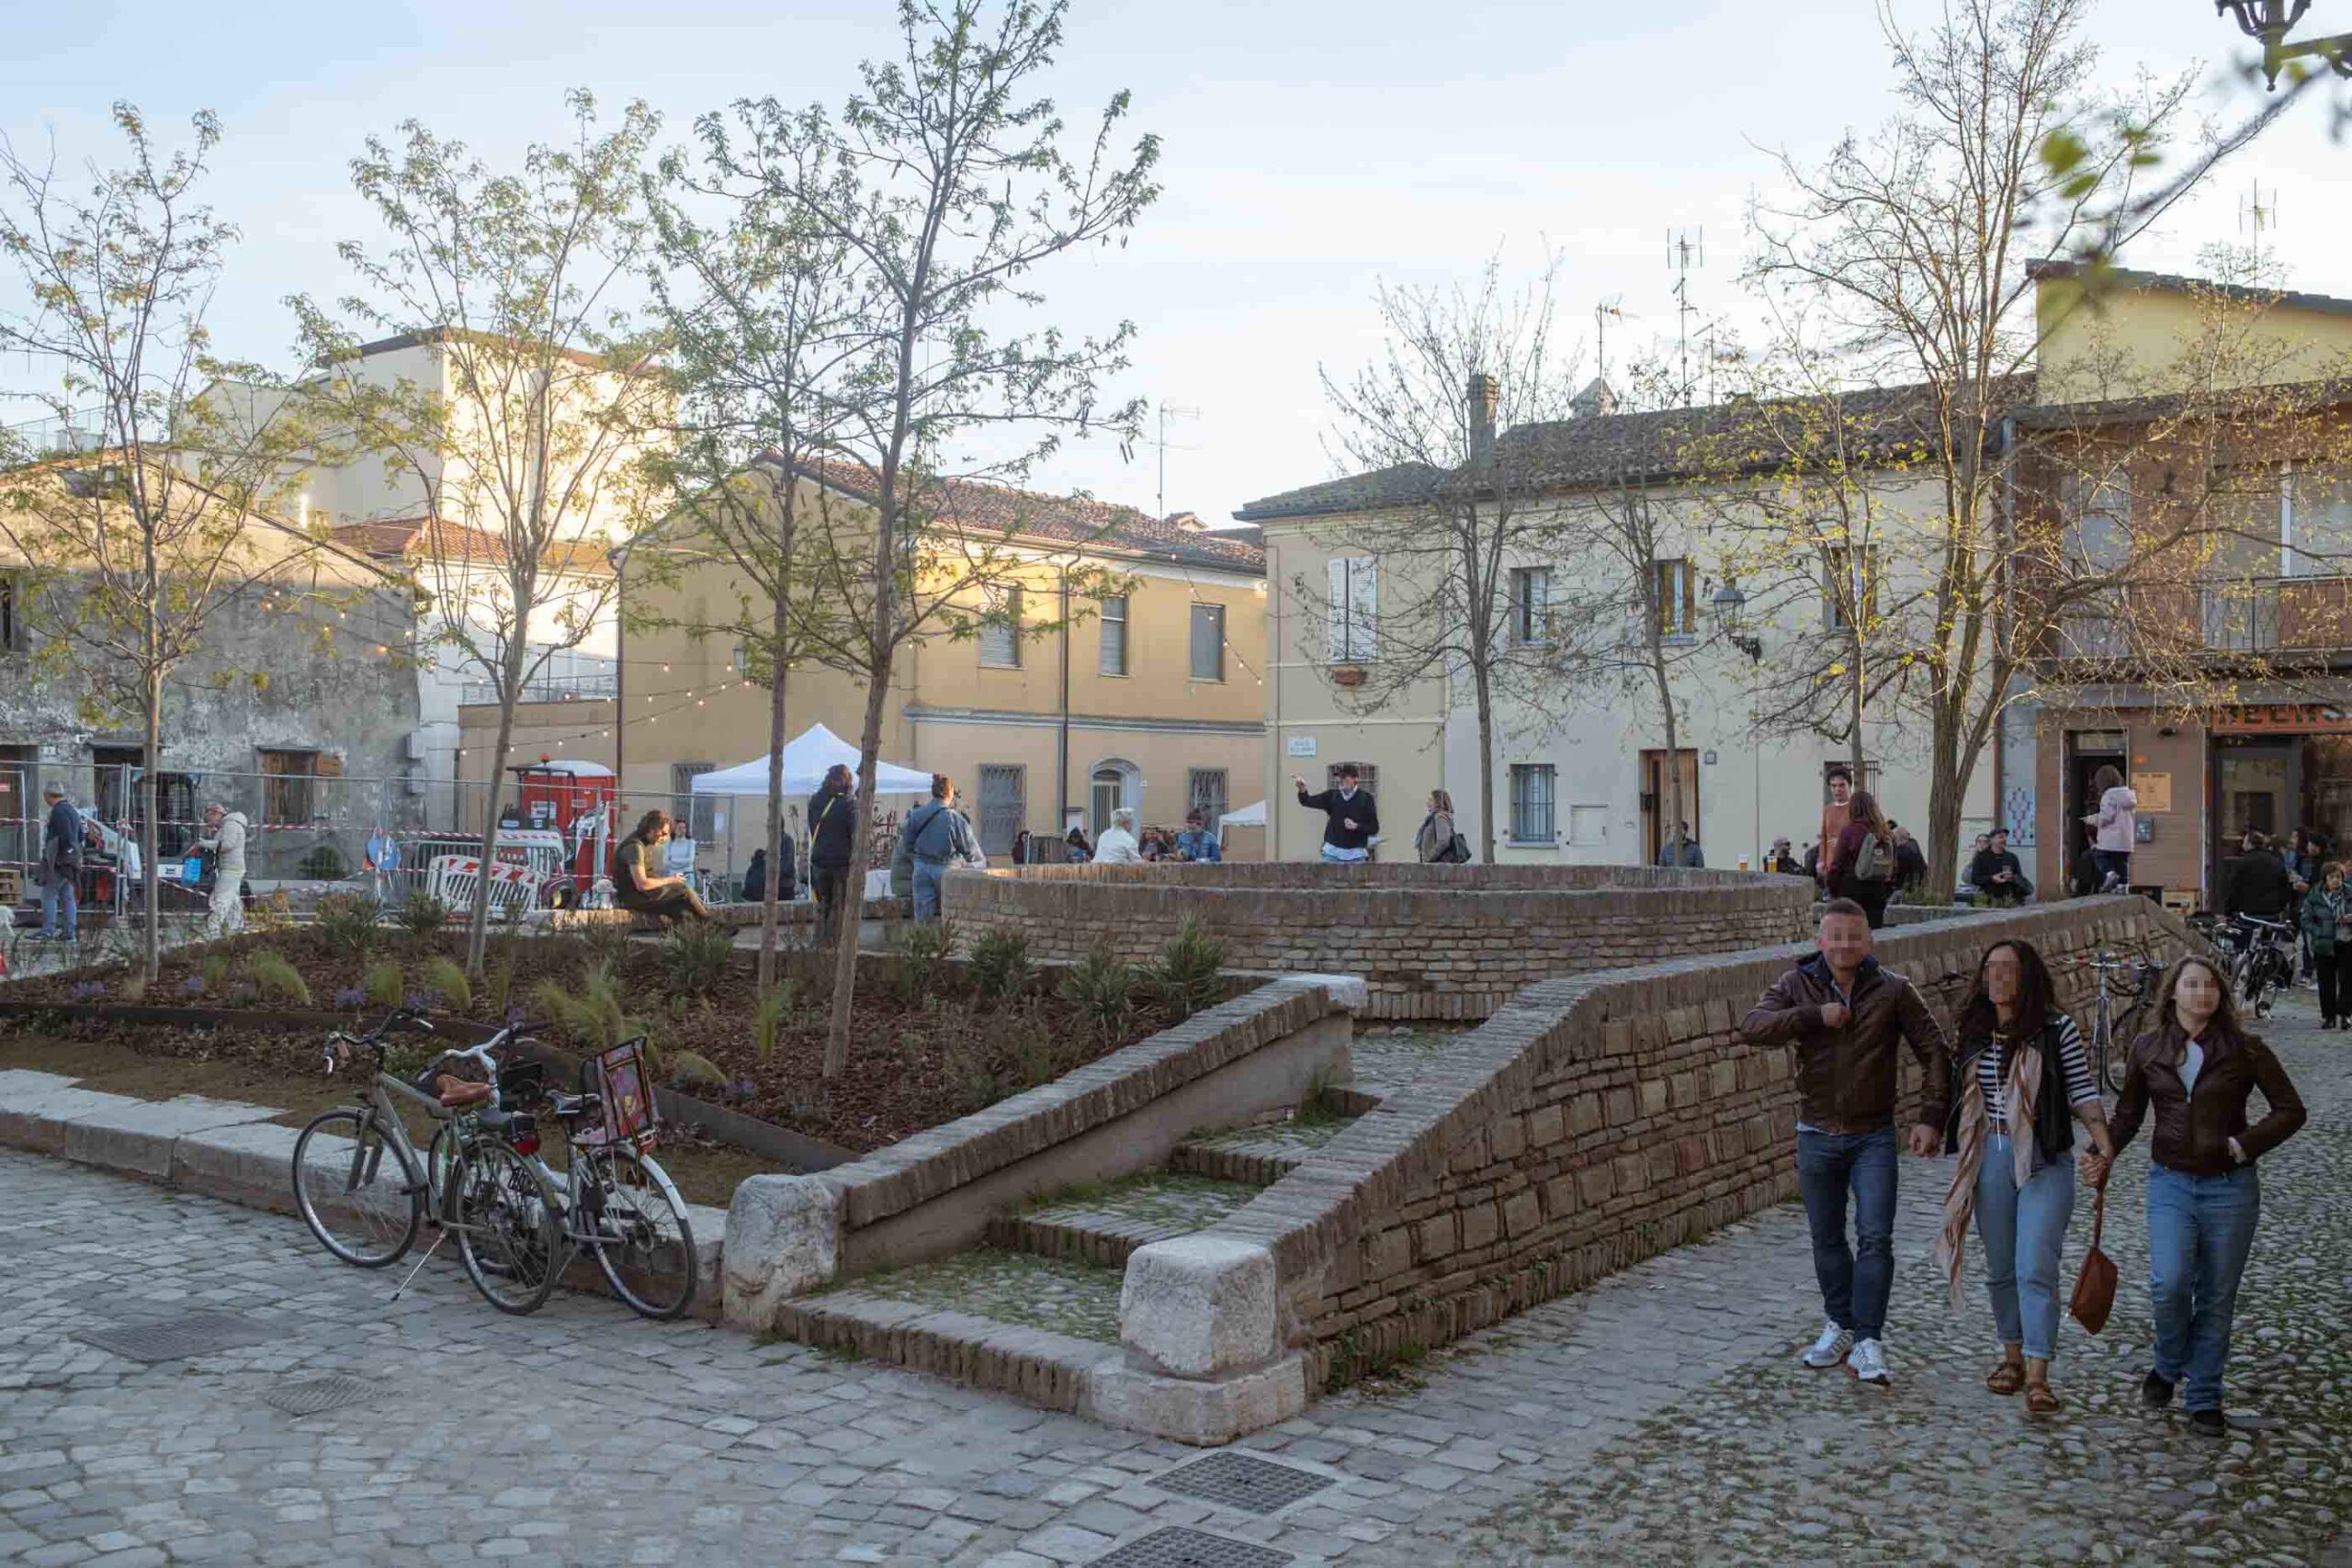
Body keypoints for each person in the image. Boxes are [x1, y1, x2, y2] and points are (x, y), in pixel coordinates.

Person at [1740, 898, 1951, 1387]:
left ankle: (1868, 1340)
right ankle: (1840, 1324)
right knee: (1827, 1237)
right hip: (1815, 1132)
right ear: (1820, 941)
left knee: (1876, 1237)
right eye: (1835, 936)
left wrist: (1930, 1117)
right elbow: (1752, 1026)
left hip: (1872, 1136)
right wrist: (1814, 1016)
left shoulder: (1894, 990)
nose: (1845, 945)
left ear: (1869, 940)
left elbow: (1935, 1050)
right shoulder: (1797, 984)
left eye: (1854, 936)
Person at [2109, 953, 2306, 1435]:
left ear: (2220, 996)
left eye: (2210, 986)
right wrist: (2105, 1153)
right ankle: (2168, 1360)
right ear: (2172, 992)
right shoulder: (2148, 1047)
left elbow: (2290, 1110)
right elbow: (2130, 1114)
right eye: (2192, 985)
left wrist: (2243, 1145)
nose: (2202, 993)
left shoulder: (2245, 1049)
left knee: (2216, 1296)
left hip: (2230, 1189)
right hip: (2171, 1181)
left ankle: (2202, 1398)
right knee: (2170, 1284)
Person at [1935, 941, 2116, 1415]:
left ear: (2027, 977)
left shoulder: (2055, 1030)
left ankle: (2038, 1373)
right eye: (1991, 969)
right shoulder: (1972, 1031)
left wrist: (2101, 1138)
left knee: (2034, 1262)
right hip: (1990, 1152)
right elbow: (1948, 1086)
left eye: (2008, 970)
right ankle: (2011, 1355)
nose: (1997, 978)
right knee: (2000, 1265)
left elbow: (2081, 1088)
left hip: (2042, 1153)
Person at [611, 809, 715, 927]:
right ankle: (710, 923)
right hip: (634, 897)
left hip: (642, 895)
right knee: (683, 890)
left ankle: (686, 935)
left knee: (679, 907)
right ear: (651, 829)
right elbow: (642, 884)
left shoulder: (643, 844)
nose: (664, 839)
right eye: (663, 834)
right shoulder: (634, 847)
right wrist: (671, 880)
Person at [901, 774, 978, 921]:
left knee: (923, 921)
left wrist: (917, 858)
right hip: (947, 869)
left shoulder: (916, 815)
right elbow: (969, 850)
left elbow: (907, 843)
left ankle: (923, 943)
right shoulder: (954, 819)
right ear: (949, 793)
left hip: (922, 868)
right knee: (951, 917)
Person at [1832, 789, 1897, 930]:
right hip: (1877, 890)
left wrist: (1833, 890)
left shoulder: (1849, 831)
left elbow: (1837, 865)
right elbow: (1893, 864)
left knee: (1850, 938)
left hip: (1852, 891)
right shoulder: (1884, 832)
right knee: (1873, 936)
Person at [807, 764, 856, 943]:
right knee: (840, 908)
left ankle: (819, 942)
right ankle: (836, 944)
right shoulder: (849, 804)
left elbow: (814, 830)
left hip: (819, 861)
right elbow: (855, 833)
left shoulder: (815, 801)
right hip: (841, 864)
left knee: (822, 906)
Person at [190, 802, 251, 942]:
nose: (209, 822)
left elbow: (227, 845)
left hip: (230, 869)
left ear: (216, 813)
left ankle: (212, 929)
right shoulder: (229, 825)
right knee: (233, 900)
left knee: (221, 898)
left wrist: (203, 843)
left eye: (209, 818)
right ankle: (236, 929)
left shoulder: (230, 825)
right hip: (233, 868)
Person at [1295, 764, 1378, 863]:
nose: (1341, 780)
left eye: (1344, 777)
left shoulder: (1366, 799)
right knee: (1327, 879)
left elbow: (1374, 828)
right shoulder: (1332, 796)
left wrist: (1357, 826)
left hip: (1356, 855)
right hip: (1332, 853)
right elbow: (1307, 801)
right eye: (1339, 777)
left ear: (1355, 779)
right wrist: (1302, 789)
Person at [2301, 862, 2349, 1028]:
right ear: (2325, 879)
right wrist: (2318, 930)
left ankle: (2345, 1014)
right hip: (2323, 944)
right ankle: (2329, 1016)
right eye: (2332, 877)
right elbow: (2305, 919)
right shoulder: (2315, 896)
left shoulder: (2349, 894)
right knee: (2325, 982)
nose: (2336, 880)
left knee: (2347, 981)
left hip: (2346, 942)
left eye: (2339, 877)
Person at [33, 783, 83, 942]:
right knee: (67, 896)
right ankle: (70, 932)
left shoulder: (58, 812)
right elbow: (80, 835)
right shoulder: (73, 810)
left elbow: (66, 835)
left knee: (48, 894)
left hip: (59, 861)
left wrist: (62, 855)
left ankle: (47, 931)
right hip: (71, 860)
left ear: (48, 796)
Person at [2084, 765, 2138, 892]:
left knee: (2099, 855)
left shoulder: (2108, 796)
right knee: (2122, 863)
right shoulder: (2129, 796)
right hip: (2126, 841)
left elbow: (2106, 817)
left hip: (2110, 840)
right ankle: (2123, 886)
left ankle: (2110, 874)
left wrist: (2091, 819)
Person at [2220, 830, 2296, 920]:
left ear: (2249, 844)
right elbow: (2284, 888)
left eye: (2244, 842)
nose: (2243, 846)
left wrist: (2228, 911)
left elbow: (2232, 889)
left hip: (2247, 912)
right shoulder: (2276, 862)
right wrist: (2280, 907)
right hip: (2271, 912)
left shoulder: (2241, 863)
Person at [1968, 828, 2034, 906]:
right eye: (2001, 837)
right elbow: (1975, 879)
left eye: (2005, 837)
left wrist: (2012, 877)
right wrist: (1992, 878)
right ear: (1992, 839)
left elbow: (2019, 877)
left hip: (2009, 900)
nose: (2004, 839)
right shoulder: (1981, 857)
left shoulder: (2011, 857)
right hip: (1988, 901)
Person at [1817, 764, 1856, 891]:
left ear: (1849, 785)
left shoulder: (1856, 808)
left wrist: (1842, 841)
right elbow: (1823, 837)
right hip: (1831, 868)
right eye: (1833, 786)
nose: (1837, 789)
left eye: (1841, 785)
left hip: (1851, 869)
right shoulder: (1828, 810)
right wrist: (1821, 860)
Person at [1415, 790, 1462, 864]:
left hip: (1437, 865)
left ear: (1438, 801)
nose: (1427, 803)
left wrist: (1429, 858)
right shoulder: (1432, 819)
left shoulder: (1440, 818)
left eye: (1431, 800)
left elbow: (1443, 841)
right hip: (1431, 864)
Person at [1890, 824, 1929, 891]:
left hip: (1904, 886)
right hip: (1918, 882)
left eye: (1894, 839)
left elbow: (1898, 873)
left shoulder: (1901, 852)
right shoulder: (1913, 843)